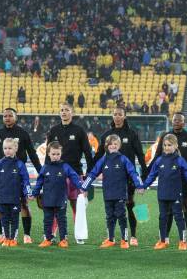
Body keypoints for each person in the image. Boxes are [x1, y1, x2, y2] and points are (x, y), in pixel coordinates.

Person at [150, 112, 187, 246]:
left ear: (184, 123)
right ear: (172, 121)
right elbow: (156, 158)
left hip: (184, 180)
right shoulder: (165, 137)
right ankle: (165, 238)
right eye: (175, 120)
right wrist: (145, 173)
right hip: (169, 180)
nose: (176, 122)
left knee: (186, 207)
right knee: (168, 210)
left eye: (179, 120)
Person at [95, 107, 148, 246]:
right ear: (112, 116)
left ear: (124, 117)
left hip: (128, 178)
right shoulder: (107, 135)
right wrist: (90, 170)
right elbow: (98, 155)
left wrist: (145, 171)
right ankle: (111, 237)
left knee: (130, 205)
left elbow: (140, 154)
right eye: (115, 114)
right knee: (112, 209)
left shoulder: (131, 134)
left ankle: (133, 235)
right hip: (112, 179)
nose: (117, 117)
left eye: (120, 114)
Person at [0, 108, 42, 245]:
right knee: (1, 207)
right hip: (2, 177)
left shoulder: (23, 133)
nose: (7, 118)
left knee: (24, 204)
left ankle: (27, 235)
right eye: (4, 116)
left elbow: (32, 153)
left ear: (15, 117)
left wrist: (41, 171)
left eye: (10, 115)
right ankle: (2, 234)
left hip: (18, 175)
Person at [81, 135, 144, 249]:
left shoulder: (123, 159)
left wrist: (139, 185)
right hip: (108, 194)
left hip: (120, 194)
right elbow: (93, 173)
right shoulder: (104, 159)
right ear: (107, 145)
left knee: (121, 216)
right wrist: (84, 186)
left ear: (119, 146)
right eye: (111, 144)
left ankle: (124, 240)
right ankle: (110, 239)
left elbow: (133, 173)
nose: (113, 146)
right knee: (109, 216)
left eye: (116, 144)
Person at [143, 134, 187, 251]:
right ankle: (162, 241)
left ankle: (183, 241)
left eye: (169, 145)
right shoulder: (159, 160)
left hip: (176, 194)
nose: (167, 147)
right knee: (162, 217)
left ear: (175, 146)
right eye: (165, 145)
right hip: (162, 194)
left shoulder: (180, 160)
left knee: (179, 217)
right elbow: (152, 176)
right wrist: (143, 186)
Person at [46, 103, 94, 243]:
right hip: (55, 174)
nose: (64, 112)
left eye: (66, 110)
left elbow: (87, 152)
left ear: (72, 113)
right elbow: (49, 154)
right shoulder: (53, 130)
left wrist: (88, 175)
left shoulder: (79, 130)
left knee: (76, 204)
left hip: (75, 174)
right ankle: (52, 234)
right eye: (61, 110)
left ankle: (79, 235)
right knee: (55, 205)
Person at [31, 142, 84, 248]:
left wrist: (81, 187)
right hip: (48, 199)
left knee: (62, 219)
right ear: (49, 154)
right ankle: (48, 239)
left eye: (58, 154)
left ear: (61, 154)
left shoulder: (65, 167)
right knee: (47, 219)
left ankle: (63, 239)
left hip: (61, 199)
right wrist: (34, 193)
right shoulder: (45, 168)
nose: (56, 156)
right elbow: (39, 182)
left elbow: (74, 177)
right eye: (53, 154)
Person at [0, 138, 32, 247]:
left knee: (14, 219)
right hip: (3, 198)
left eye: (10, 148)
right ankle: (6, 238)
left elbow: (26, 181)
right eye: (5, 148)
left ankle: (13, 239)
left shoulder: (20, 164)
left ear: (15, 149)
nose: (7, 150)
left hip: (15, 198)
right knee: (4, 219)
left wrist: (28, 193)